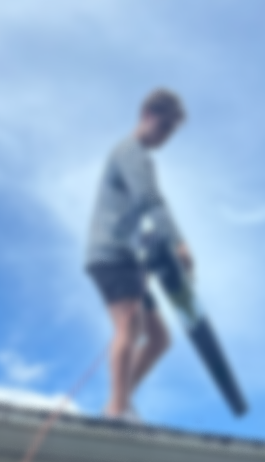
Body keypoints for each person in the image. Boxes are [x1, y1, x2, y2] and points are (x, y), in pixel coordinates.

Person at [86, 88, 193, 421]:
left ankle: (118, 401)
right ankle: (117, 411)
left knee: (159, 339)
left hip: (129, 257)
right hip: (110, 255)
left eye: (172, 132)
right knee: (129, 328)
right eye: (165, 127)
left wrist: (153, 257)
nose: (166, 137)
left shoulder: (134, 157)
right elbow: (151, 201)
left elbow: (137, 217)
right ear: (148, 116)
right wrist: (178, 242)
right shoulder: (131, 153)